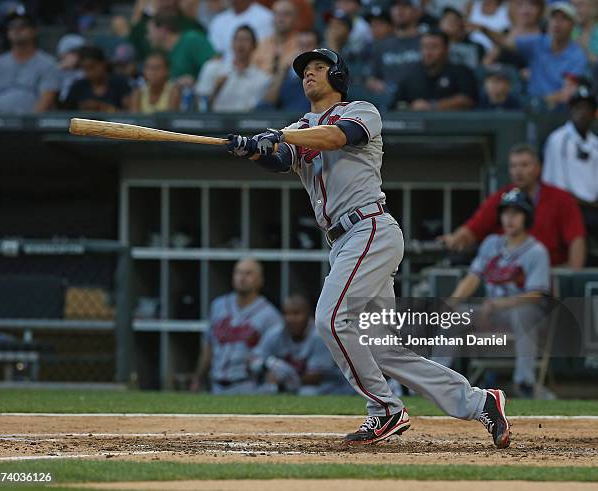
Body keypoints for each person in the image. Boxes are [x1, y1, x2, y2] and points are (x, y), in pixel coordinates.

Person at [226, 47, 511, 448]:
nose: (309, 74)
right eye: (305, 70)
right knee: (382, 350)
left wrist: (278, 135)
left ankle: (384, 410)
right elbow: (282, 158)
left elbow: (338, 137)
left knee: (330, 319)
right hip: (344, 242)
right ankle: (481, 401)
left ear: (338, 76)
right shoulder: (301, 125)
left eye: (319, 68)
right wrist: (254, 150)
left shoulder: (362, 111)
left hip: (368, 229)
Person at [443, 188, 551, 398]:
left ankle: (525, 382)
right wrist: (450, 303)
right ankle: (438, 381)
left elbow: (536, 294)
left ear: (526, 217)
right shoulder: (491, 243)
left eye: (516, 213)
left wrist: (496, 305)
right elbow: (473, 278)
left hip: (523, 313)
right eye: (506, 213)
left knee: (525, 312)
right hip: (491, 309)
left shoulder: (537, 251)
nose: (510, 218)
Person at [440, 143, 587, 267]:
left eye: (524, 165)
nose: (518, 171)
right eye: (513, 166)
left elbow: (576, 239)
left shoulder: (561, 198)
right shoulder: (502, 197)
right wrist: (455, 239)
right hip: (508, 274)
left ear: (538, 168)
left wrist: (571, 278)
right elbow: (474, 228)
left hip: (549, 272)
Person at [191, 258, 284, 394]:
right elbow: (208, 347)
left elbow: (276, 356)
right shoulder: (218, 305)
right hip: (216, 384)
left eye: (248, 273)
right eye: (238, 272)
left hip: (249, 385)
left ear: (260, 280)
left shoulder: (270, 315)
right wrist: (198, 378)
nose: (242, 278)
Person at [475, 2, 589, 106]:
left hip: (557, 109)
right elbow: (507, 43)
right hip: (530, 103)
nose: (557, 23)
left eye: (564, 19)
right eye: (554, 18)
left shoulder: (577, 56)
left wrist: (542, 101)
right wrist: (484, 29)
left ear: (573, 25)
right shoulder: (538, 42)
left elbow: (567, 93)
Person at [542, 82, 598, 263]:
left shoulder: (595, 142)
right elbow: (556, 186)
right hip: (568, 206)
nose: (582, 112)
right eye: (578, 107)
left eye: (587, 108)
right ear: (571, 110)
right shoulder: (558, 139)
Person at [250, 294, 351, 395]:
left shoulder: (319, 336)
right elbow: (253, 360)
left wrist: (282, 381)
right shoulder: (276, 333)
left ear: (308, 315)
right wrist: (265, 369)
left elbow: (315, 377)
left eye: (296, 314)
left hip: (330, 386)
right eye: (286, 314)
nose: (290, 319)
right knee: (262, 390)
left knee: (306, 393)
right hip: (293, 385)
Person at [0, 13, 59, 114]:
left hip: (31, 126)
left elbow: (46, 100)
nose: (17, 30)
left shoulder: (48, 64)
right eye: (12, 27)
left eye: (23, 26)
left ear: (34, 31)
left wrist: (28, 124)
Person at [391, 29, 477, 110]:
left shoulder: (461, 71)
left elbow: (468, 100)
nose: (428, 52)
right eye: (424, 47)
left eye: (434, 47)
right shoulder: (410, 74)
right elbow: (396, 105)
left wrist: (432, 106)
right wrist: (410, 107)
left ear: (446, 49)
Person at [195, 25, 271, 112]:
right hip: (214, 122)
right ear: (232, 43)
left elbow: (253, 111)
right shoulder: (212, 68)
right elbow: (200, 107)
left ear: (254, 46)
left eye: (245, 40)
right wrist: (215, 90)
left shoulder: (262, 79)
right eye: (237, 39)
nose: (241, 44)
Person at [366, 0, 422, 97]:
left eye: (405, 6)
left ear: (416, 11)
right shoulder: (382, 45)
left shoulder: (426, 41)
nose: (399, 10)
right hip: (390, 103)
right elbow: (371, 79)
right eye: (395, 6)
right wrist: (376, 84)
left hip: (421, 100)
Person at [258, 29, 319, 111]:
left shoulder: (323, 73)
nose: (304, 50)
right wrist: (283, 70)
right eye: (301, 45)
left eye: (308, 45)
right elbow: (269, 101)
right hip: (286, 119)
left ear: (318, 48)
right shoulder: (287, 71)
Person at [147, 9, 214, 82]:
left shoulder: (192, 40)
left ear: (163, 30)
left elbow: (215, 65)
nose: (148, 36)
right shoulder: (163, 53)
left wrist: (195, 80)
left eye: (150, 31)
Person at [62, 46, 132, 112]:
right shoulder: (78, 87)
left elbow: (129, 113)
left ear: (103, 63)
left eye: (92, 67)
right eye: (85, 69)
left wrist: (103, 108)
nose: (89, 73)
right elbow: (66, 114)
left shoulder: (120, 84)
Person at [208, 0, 274, 62]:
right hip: (224, 70)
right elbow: (215, 53)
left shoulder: (265, 18)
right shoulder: (218, 20)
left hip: (254, 68)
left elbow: (264, 51)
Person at [251, 0, 298, 76]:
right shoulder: (262, 44)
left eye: (286, 14)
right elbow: (252, 72)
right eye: (277, 14)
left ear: (295, 18)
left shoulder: (301, 44)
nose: (281, 19)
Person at [439, 5, 485, 70]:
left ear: (461, 25)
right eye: (447, 19)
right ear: (440, 23)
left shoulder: (476, 47)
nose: (450, 23)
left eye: (454, 20)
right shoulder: (428, 42)